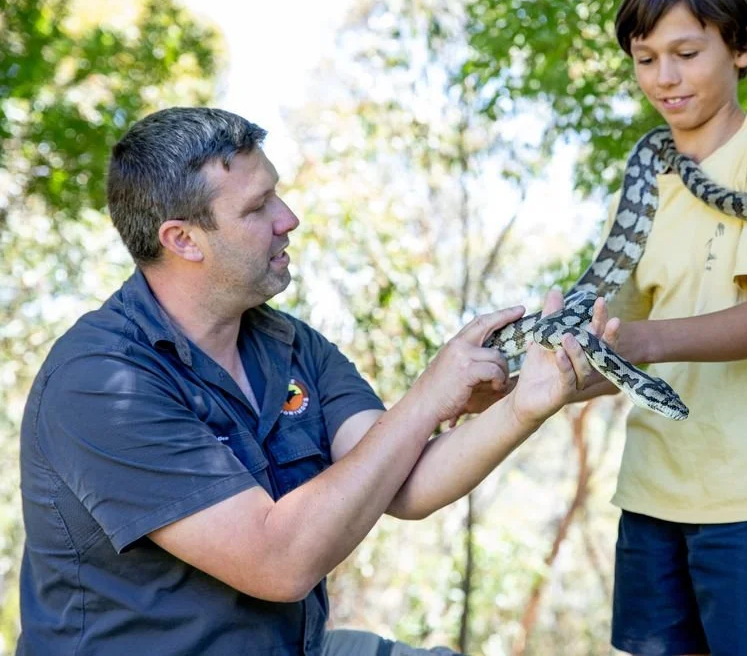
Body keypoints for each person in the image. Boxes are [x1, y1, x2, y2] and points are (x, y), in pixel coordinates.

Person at [16, 107, 615, 655]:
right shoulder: (99, 381)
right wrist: (430, 395)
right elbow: (279, 563)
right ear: (182, 240)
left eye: (277, 195)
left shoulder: (289, 344)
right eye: (257, 208)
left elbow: (404, 484)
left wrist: (522, 410)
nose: (289, 219)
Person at [578, 0, 747, 653]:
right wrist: (509, 388)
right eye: (646, 57)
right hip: (651, 492)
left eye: (687, 53)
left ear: (743, 45)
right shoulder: (639, 184)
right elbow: (615, 346)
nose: (665, 77)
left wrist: (638, 340)